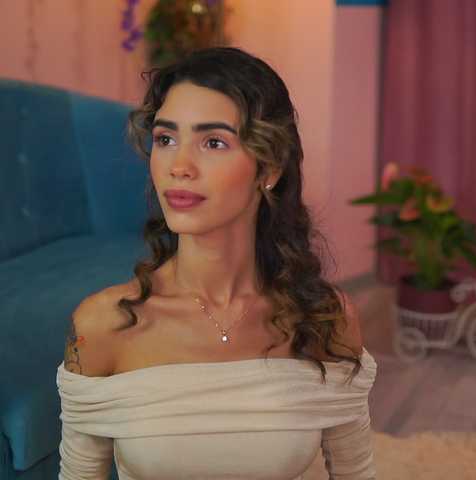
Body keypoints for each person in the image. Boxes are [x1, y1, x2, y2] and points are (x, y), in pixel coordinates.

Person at [56, 46, 378, 479]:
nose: (179, 166)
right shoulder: (101, 325)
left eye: (213, 142)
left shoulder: (325, 320)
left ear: (269, 168)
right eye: (166, 139)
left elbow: (356, 472)